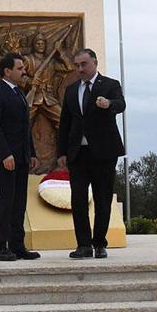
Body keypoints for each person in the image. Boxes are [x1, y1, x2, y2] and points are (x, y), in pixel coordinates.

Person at [57, 47, 125, 258]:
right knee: (78, 200)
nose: (80, 69)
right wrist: (62, 152)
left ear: (94, 63)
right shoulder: (71, 90)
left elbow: (121, 104)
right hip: (78, 154)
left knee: (102, 199)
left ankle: (99, 243)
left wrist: (108, 104)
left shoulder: (110, 85)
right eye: (77, 65)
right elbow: (65, 123)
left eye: (83, 64)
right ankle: (84, 245)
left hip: (103, 152)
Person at [0, 51, 40, 261]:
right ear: (7, 71)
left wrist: (31, 152)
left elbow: (26, 127)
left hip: (22, 157)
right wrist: (6, 153)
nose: (24, 71)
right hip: (5, 157)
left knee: (19, 203)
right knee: (6, 201)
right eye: (19, 68)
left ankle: (17, 246)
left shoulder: (19, 94)